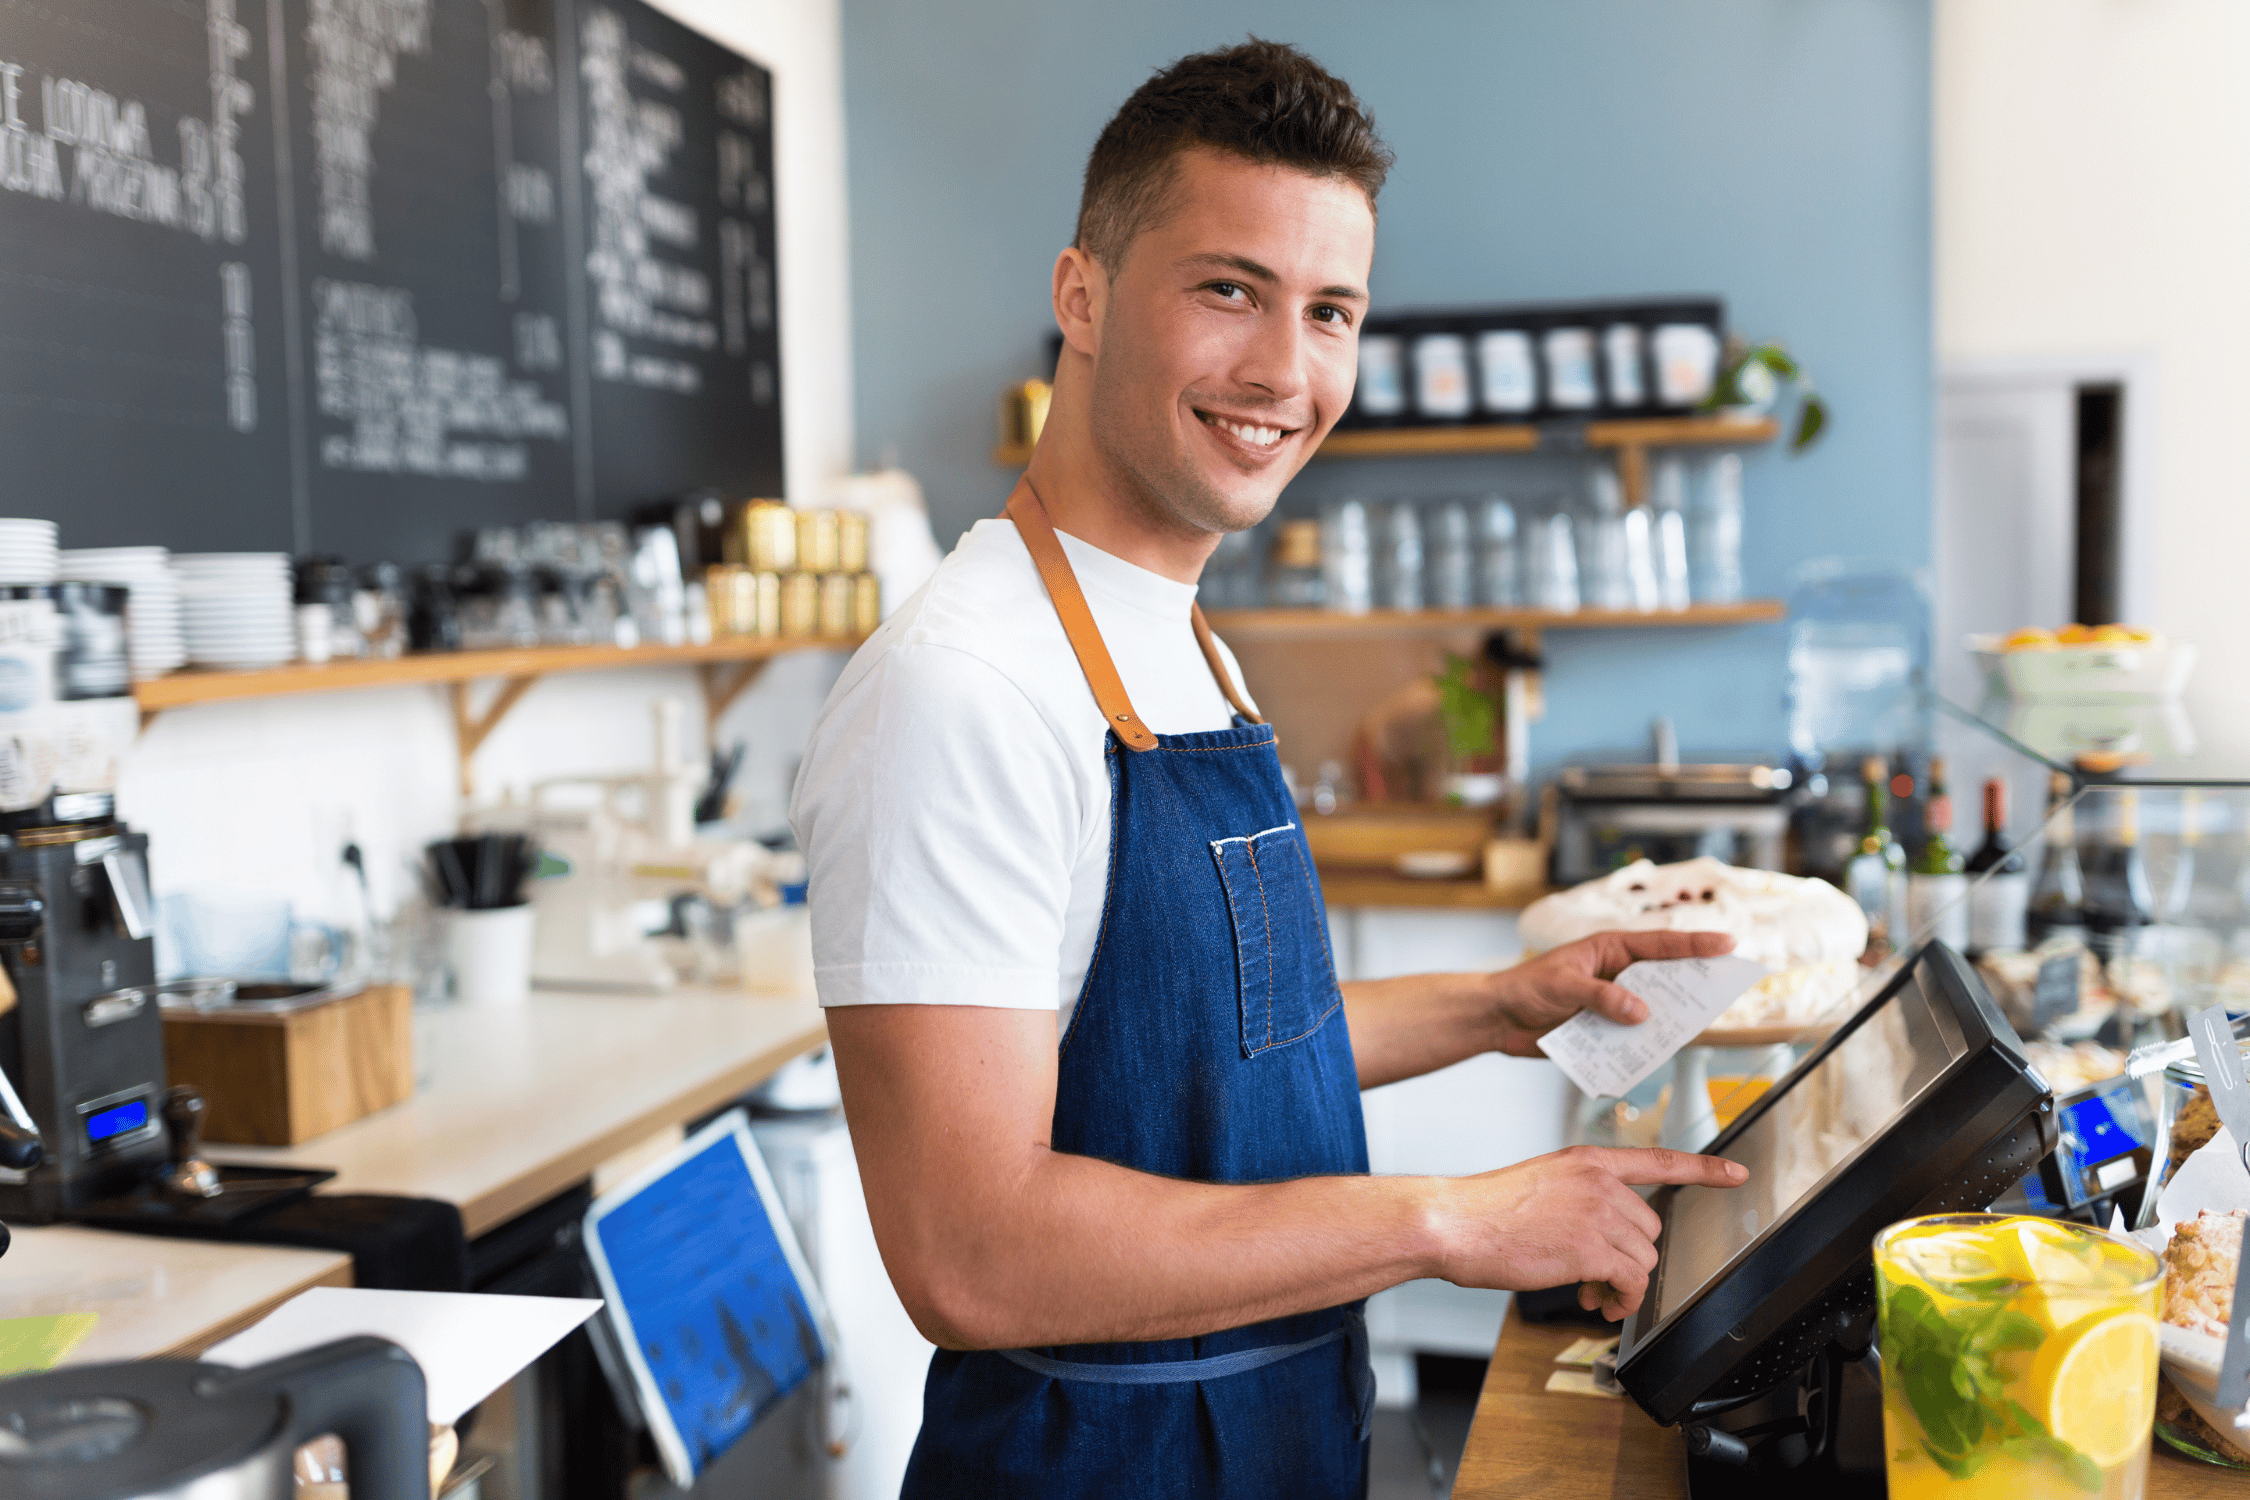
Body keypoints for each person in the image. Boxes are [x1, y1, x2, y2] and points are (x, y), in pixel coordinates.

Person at [791, 38, 1747, 1499]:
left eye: (1329, 312)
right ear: (1082, 297)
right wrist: (1445, 1221)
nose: (1284, 372)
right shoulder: (958, 689)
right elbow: (968, 1254)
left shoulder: (1186, 647)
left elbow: (1204, 1049)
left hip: (1276, 1435)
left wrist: (1498, 1007)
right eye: (1226, 289)